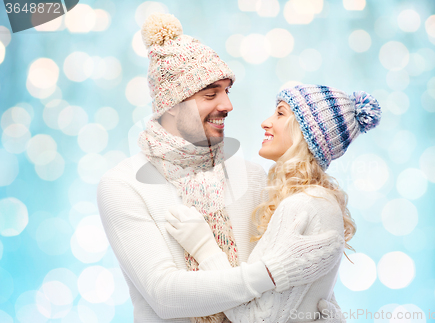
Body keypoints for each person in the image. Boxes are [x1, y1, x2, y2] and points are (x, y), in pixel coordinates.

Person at [96, 13, 340, 323]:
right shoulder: (125, 185)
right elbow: (166, 296)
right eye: (210, 94)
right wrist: (272, 273)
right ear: (170, 103)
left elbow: (285, 297)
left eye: (227, 91)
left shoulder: (252, 178)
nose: (227, 105)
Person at [165, 85, 382, 322]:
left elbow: (256, 318)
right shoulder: (322, 202)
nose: (266, 122)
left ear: (305, 130)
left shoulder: (301, 206)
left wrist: (203, 248)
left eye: (280, 113)